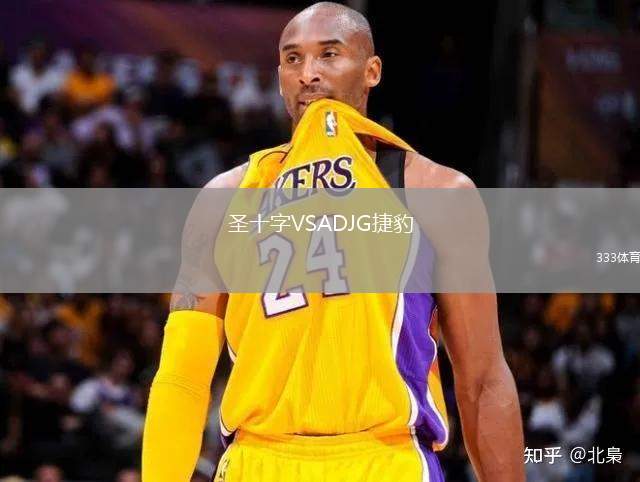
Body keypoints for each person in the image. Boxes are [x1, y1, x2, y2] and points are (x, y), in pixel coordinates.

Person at [142, 3, 524, 482]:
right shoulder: (224, 197)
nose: (309, 73)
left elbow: (483, 379)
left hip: (384, 461)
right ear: (280, 77)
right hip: (257, 460)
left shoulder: (437, 192)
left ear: (372, 71)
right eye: (293, 59)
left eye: (329, 54)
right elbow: (182, 378)